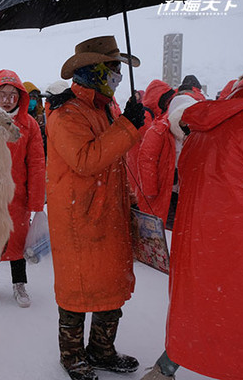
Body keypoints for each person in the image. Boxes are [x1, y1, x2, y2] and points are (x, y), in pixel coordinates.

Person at [142, 67, 243, 380]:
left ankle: (165, 367)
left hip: (202, 241)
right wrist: (151, 193)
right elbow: (147, 160)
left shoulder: (209, 121)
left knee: (202, 310)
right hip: (241, 246)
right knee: (239, 322)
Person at [45, 35, 145, 380]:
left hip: (107, 214)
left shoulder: (104, 108)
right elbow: (86, 160)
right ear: (94, 71)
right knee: (78, 288)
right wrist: (128, 125)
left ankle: (102, 350)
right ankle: (71, 355)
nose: (117, 74)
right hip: (78, 217)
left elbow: (113, 162)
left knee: (110, 285)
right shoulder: (66, 112)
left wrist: (129, 202)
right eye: (112, 68)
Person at [0, 69, 45, 308]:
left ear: (20, 97)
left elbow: (36, 163)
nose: (7, 99)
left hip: (18, 195)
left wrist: (36, 201)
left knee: (18, 242)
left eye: (12, 95)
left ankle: (19, 283)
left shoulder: (29, 125)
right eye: (2, 94)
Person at [137, 75, 206, 228]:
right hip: (165, 189)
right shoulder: (159, 130)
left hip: (182, 191)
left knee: (179, 225)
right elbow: (147, 159)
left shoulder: (193, 133)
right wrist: (150, 190)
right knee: (166, 224)